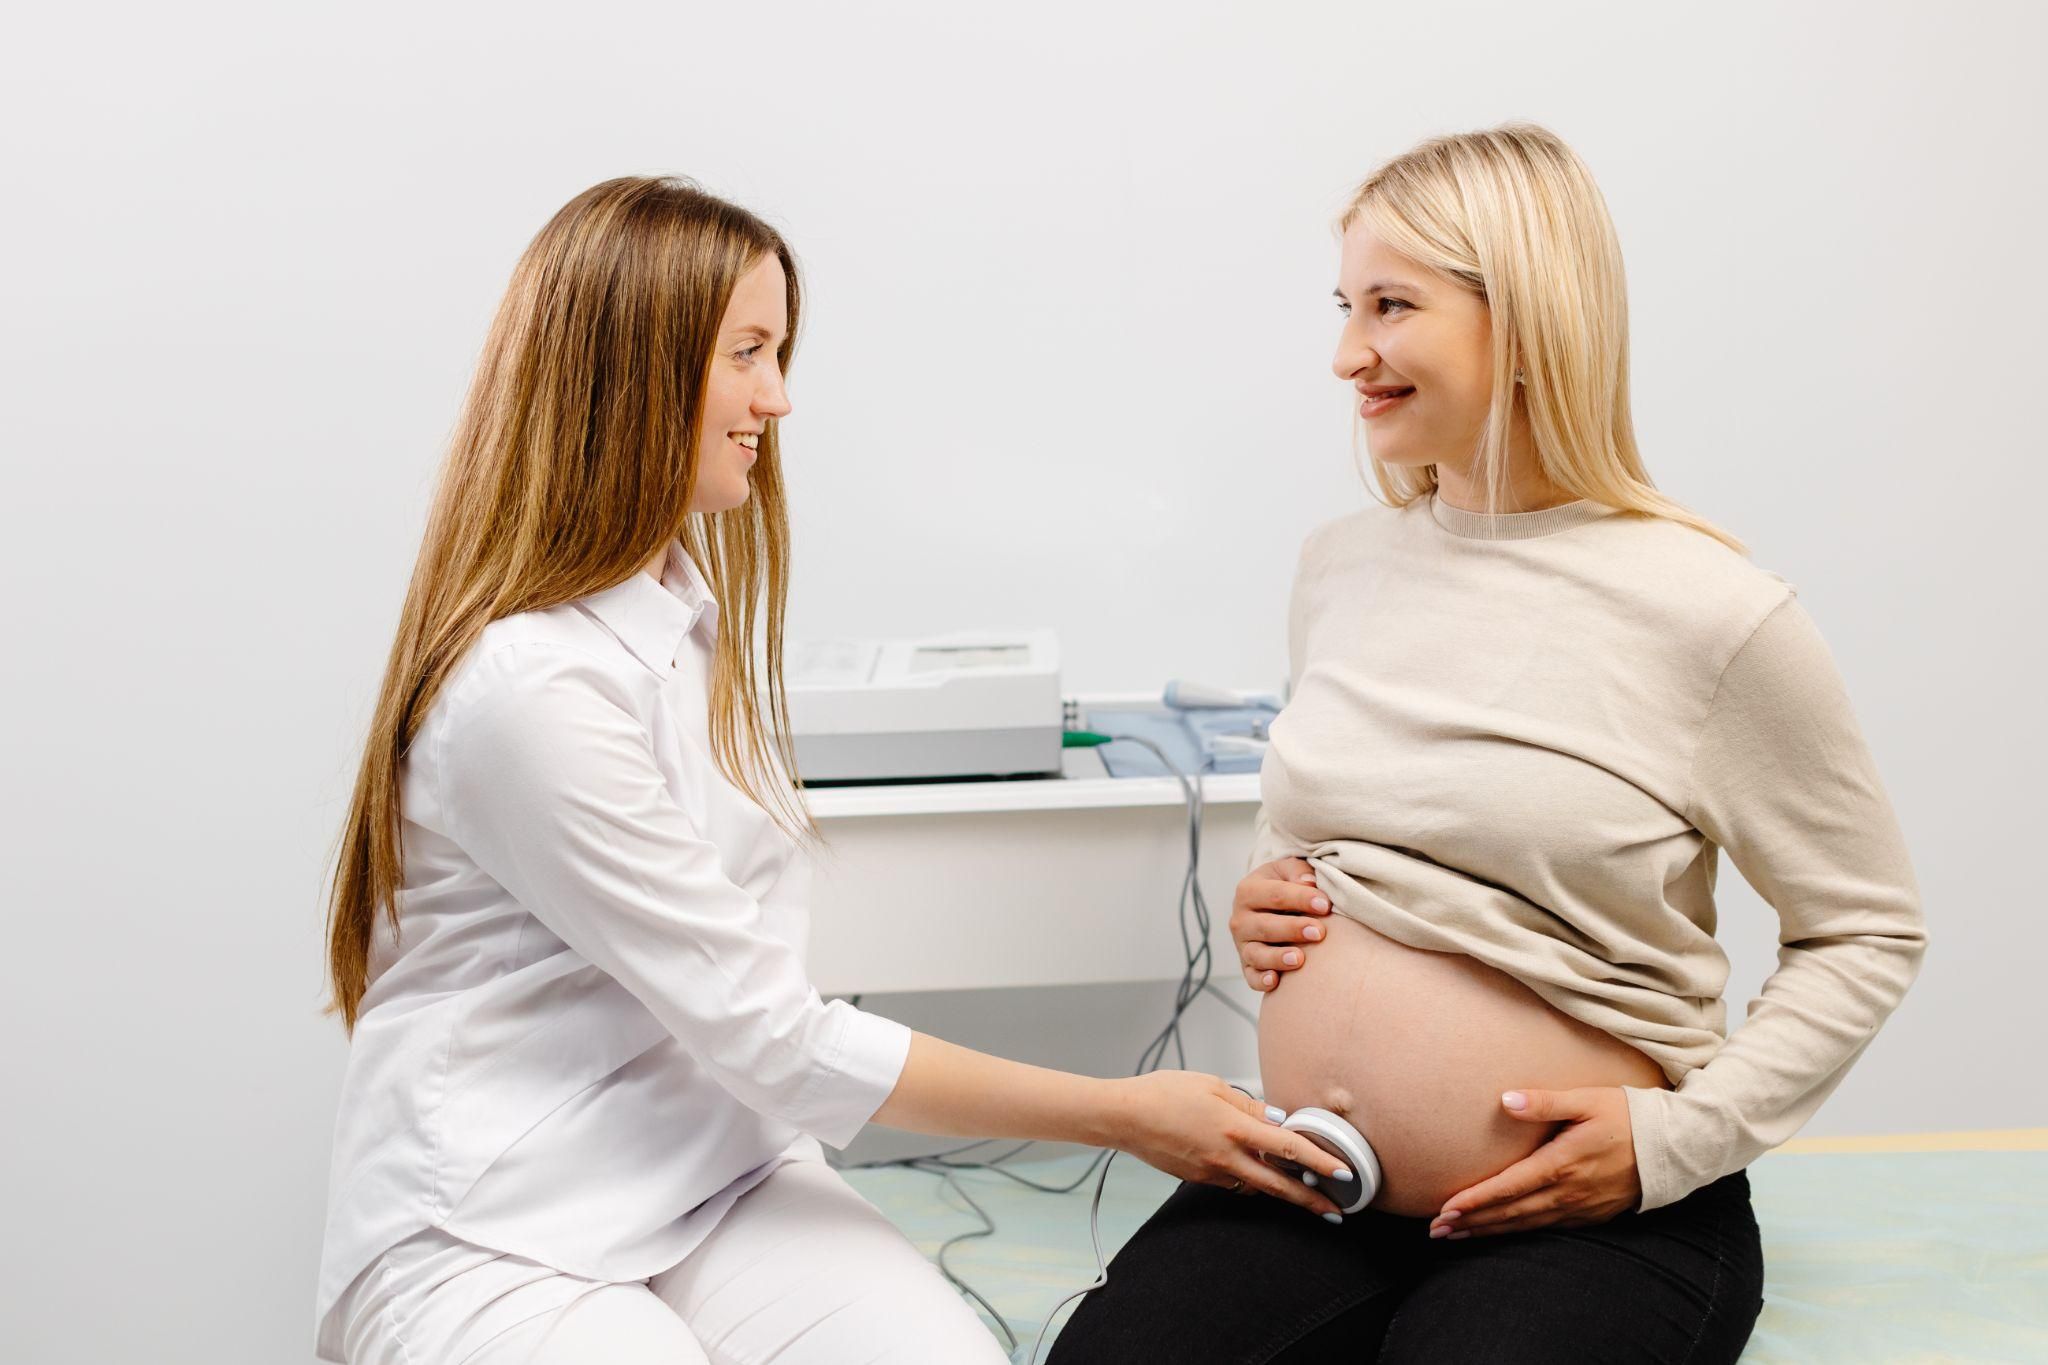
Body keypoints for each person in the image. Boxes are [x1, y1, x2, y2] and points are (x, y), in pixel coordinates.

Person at [313, 176, 1352, 1365]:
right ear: (633, 376)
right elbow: (775, 1036)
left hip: (714, 1179)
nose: (778, 396)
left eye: (779, 350)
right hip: (501, 1224)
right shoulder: (528, 694)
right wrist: (1120, 1115)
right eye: (747, 352)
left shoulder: (676, 614)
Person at [1046, 123, 1926, 1363]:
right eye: (1345, 306)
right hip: (1311, 1174)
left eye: (1391, 306)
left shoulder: (1710, 612)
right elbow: (1322, 826)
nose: (1349, 353)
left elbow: (1863, 929)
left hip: (1593, 1216)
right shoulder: (1339, 565)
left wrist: (1673, 1141)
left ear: (1521, 315)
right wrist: (1267, 898)